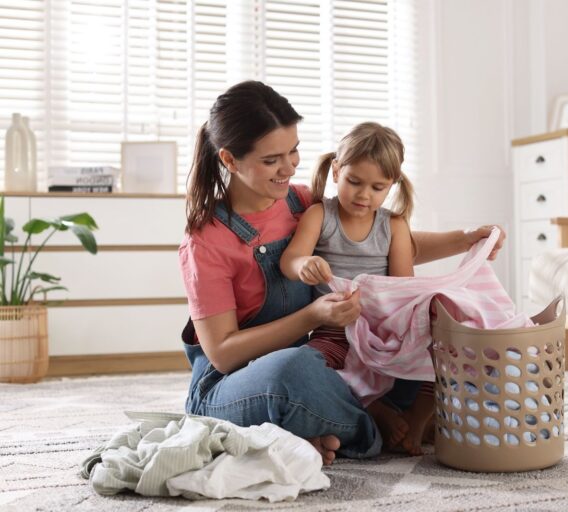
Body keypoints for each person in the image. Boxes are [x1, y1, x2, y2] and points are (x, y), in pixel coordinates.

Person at [179, 80, 506, 466]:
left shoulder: (297, 201)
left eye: (294, 151)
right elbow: (222, 354)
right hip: (232, 383)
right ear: (230, 160)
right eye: (271, 161)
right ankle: (371, 427)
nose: (289, 168)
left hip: (319, 360)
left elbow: (378, 245)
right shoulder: (205, 241)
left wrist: (466, 239)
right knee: (292, 371)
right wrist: (313, 316)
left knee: (406, 346)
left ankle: (312, 425)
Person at [279, 122, 432, 455]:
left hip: (382, 331)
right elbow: (290, 259)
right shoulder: (320, 214)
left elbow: (403, 290)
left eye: (378, 187)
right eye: (354, 182)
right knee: (306, 369)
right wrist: (304, 265)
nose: (364, 195)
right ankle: (375, 409)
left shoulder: (393, 225)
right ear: (336, 171)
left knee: (439, 344)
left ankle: (418, 420)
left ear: (392, 184)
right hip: (334, 329)